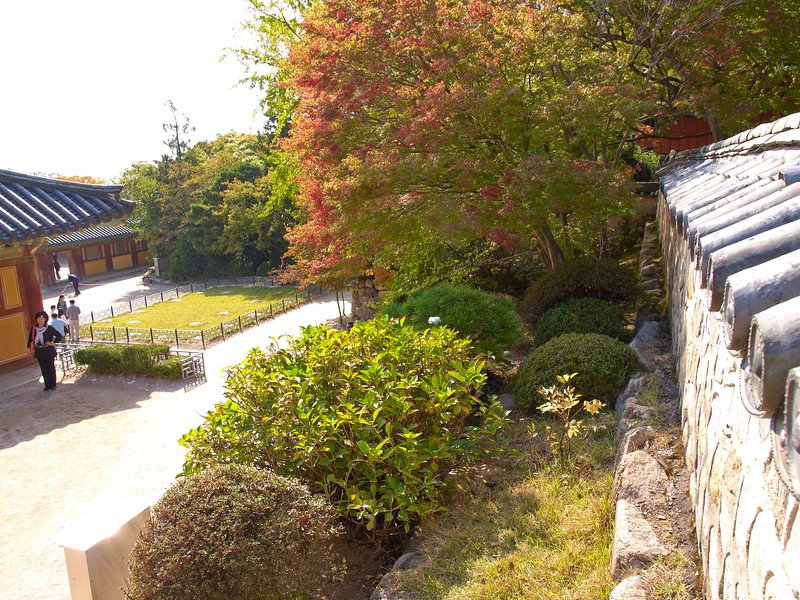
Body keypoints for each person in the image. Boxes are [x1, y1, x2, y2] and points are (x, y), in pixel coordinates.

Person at [27, 310, 62, 391]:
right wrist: (29, 348)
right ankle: (47, 385)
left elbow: (59, 336)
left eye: (42, 318)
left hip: (48, 351)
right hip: (39, 351)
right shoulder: (34, 328)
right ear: (36, 319)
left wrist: (52, 343)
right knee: (43, 369)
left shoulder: (49, 328)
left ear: (46, 319)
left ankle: (53, 384)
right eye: (38, 318)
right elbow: (30, 339)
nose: (40, 320)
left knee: (50, 368)